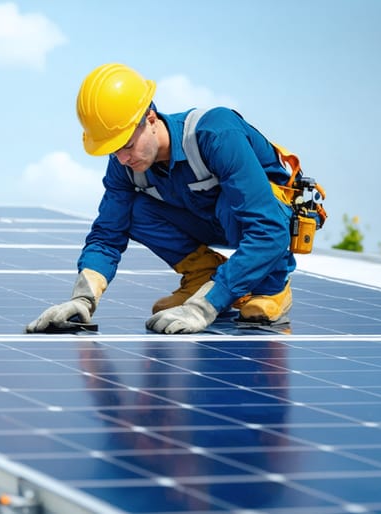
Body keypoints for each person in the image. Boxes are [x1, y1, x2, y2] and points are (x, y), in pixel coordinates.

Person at [26, 63, 296, 334]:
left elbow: (269, 231)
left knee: (236, 204)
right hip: (207, 219)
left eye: (127, 146)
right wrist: (83, 299)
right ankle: (202, 275)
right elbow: (107, 234)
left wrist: (205, 306)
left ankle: (272, 287)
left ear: (151, 119)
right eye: (113, 150)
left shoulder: (216, 135)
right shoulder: (123, 164)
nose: (122, 159)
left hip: (264, 222)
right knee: (133, 209)